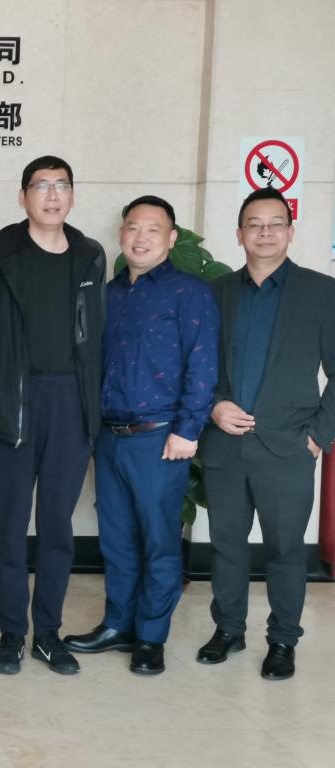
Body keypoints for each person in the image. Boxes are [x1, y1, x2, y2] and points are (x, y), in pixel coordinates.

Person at [64, 196, 219, 675]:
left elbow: (203, 365)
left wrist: (187, 430)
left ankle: (151, 637)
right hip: (109, 436)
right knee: (116, 539)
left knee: (158, 541)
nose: (141, 237)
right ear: (121, 235)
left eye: (154, 229)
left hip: (160, 438)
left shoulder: (189, 292)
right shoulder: (106, 294)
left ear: (171, 238)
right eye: (133, 227)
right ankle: (118, 625)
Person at [0, 156, 106, 675]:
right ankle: (10, 634)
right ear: (22, 195)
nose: (51, 195)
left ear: (72, 195)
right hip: (13, 401)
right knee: (9, 527)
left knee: (57, 527)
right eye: (41, 186)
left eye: (61, 185)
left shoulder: (91, 256)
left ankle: (47, 633)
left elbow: (97, 339)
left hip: (71, 404)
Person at [196, 187, 335, 681]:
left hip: (289, 448)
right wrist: (213, 407)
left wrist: (317, 436)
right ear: (239, 234)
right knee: (226, 545)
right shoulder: (215, 293)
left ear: (290, 232)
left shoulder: (322, 292)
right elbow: (198, 367)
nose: (265, 232)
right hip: (225, 446)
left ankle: (282, 641)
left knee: (285, 550)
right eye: (254, 224)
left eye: (275, 223)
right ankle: (229, 630)